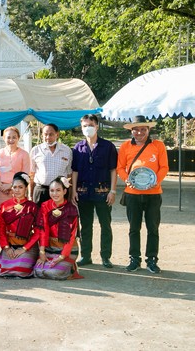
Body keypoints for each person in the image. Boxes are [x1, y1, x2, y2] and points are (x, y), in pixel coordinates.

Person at [117, 115, 169, 274]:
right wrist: (127, 180)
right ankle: (134, 258)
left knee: (153, 227)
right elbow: (120, 168)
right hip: (132, 193)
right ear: (131, 131)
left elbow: (164, 167)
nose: (139, 132)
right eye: (136, 129)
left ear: (149, 129)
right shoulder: (125, 146)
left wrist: (156, 180)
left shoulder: (158, 145)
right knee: (134, 228)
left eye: (143, 129)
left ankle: (152, 259)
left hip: (153, 193)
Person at [71, 114, 118, 268]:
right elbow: (75, 171)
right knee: (85, 225)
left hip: (103, 192)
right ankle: (86, 256)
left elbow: (113, 170)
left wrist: (112, 191)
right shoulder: (78, 147)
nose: (87, 128)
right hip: (83, 192)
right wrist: (73, 192)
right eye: (84, 126)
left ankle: (106, 257)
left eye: (90, 125)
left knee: (105, 224)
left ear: (97, 126)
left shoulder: (107, 146)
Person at [0, 172, 40, 278]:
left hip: (27, 247)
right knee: (1, 269)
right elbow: (0, 230)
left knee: (21, 270)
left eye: (20, 187)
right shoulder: (4, 206)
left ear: (26, 188)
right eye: (15, 187)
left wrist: (24, 248)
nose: (17, 190)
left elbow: (38, 232)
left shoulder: (32, 207)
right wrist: (6, 247)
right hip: (10, 246)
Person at [34, 176, 80, 280]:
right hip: (49, 247)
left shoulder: (71, 209)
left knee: (55, 272)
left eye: (58, 190)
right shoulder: (45, 206)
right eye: (52, 190)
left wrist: (61, 257)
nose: (55, 194)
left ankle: (71, 267)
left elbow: (72, 236)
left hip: (67, 249)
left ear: (64, 191)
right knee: (38, 271)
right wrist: (42, 252)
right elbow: (43, 230)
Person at [30, 123, 72, 205]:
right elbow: (32, 174)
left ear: (57, 134)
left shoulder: (67, 150)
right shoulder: (36, 150)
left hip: (60, 192)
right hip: (41, 191)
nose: (48, 137)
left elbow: (69, 174)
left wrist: (70, 194)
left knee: (60, 216)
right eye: (45, 134)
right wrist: (30, 194)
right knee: (40, 217)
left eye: (51, 134)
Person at [0, 126, 30, 205]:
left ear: (18, 138)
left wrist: (11, 186)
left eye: (14, 137)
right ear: (4, 138)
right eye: (8, 137)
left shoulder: (24, 154)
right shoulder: (0, 153)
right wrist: (0, 185)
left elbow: (25, 174)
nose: (11, 140)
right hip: (3, 190)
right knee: (4, 213)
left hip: (18, 189)